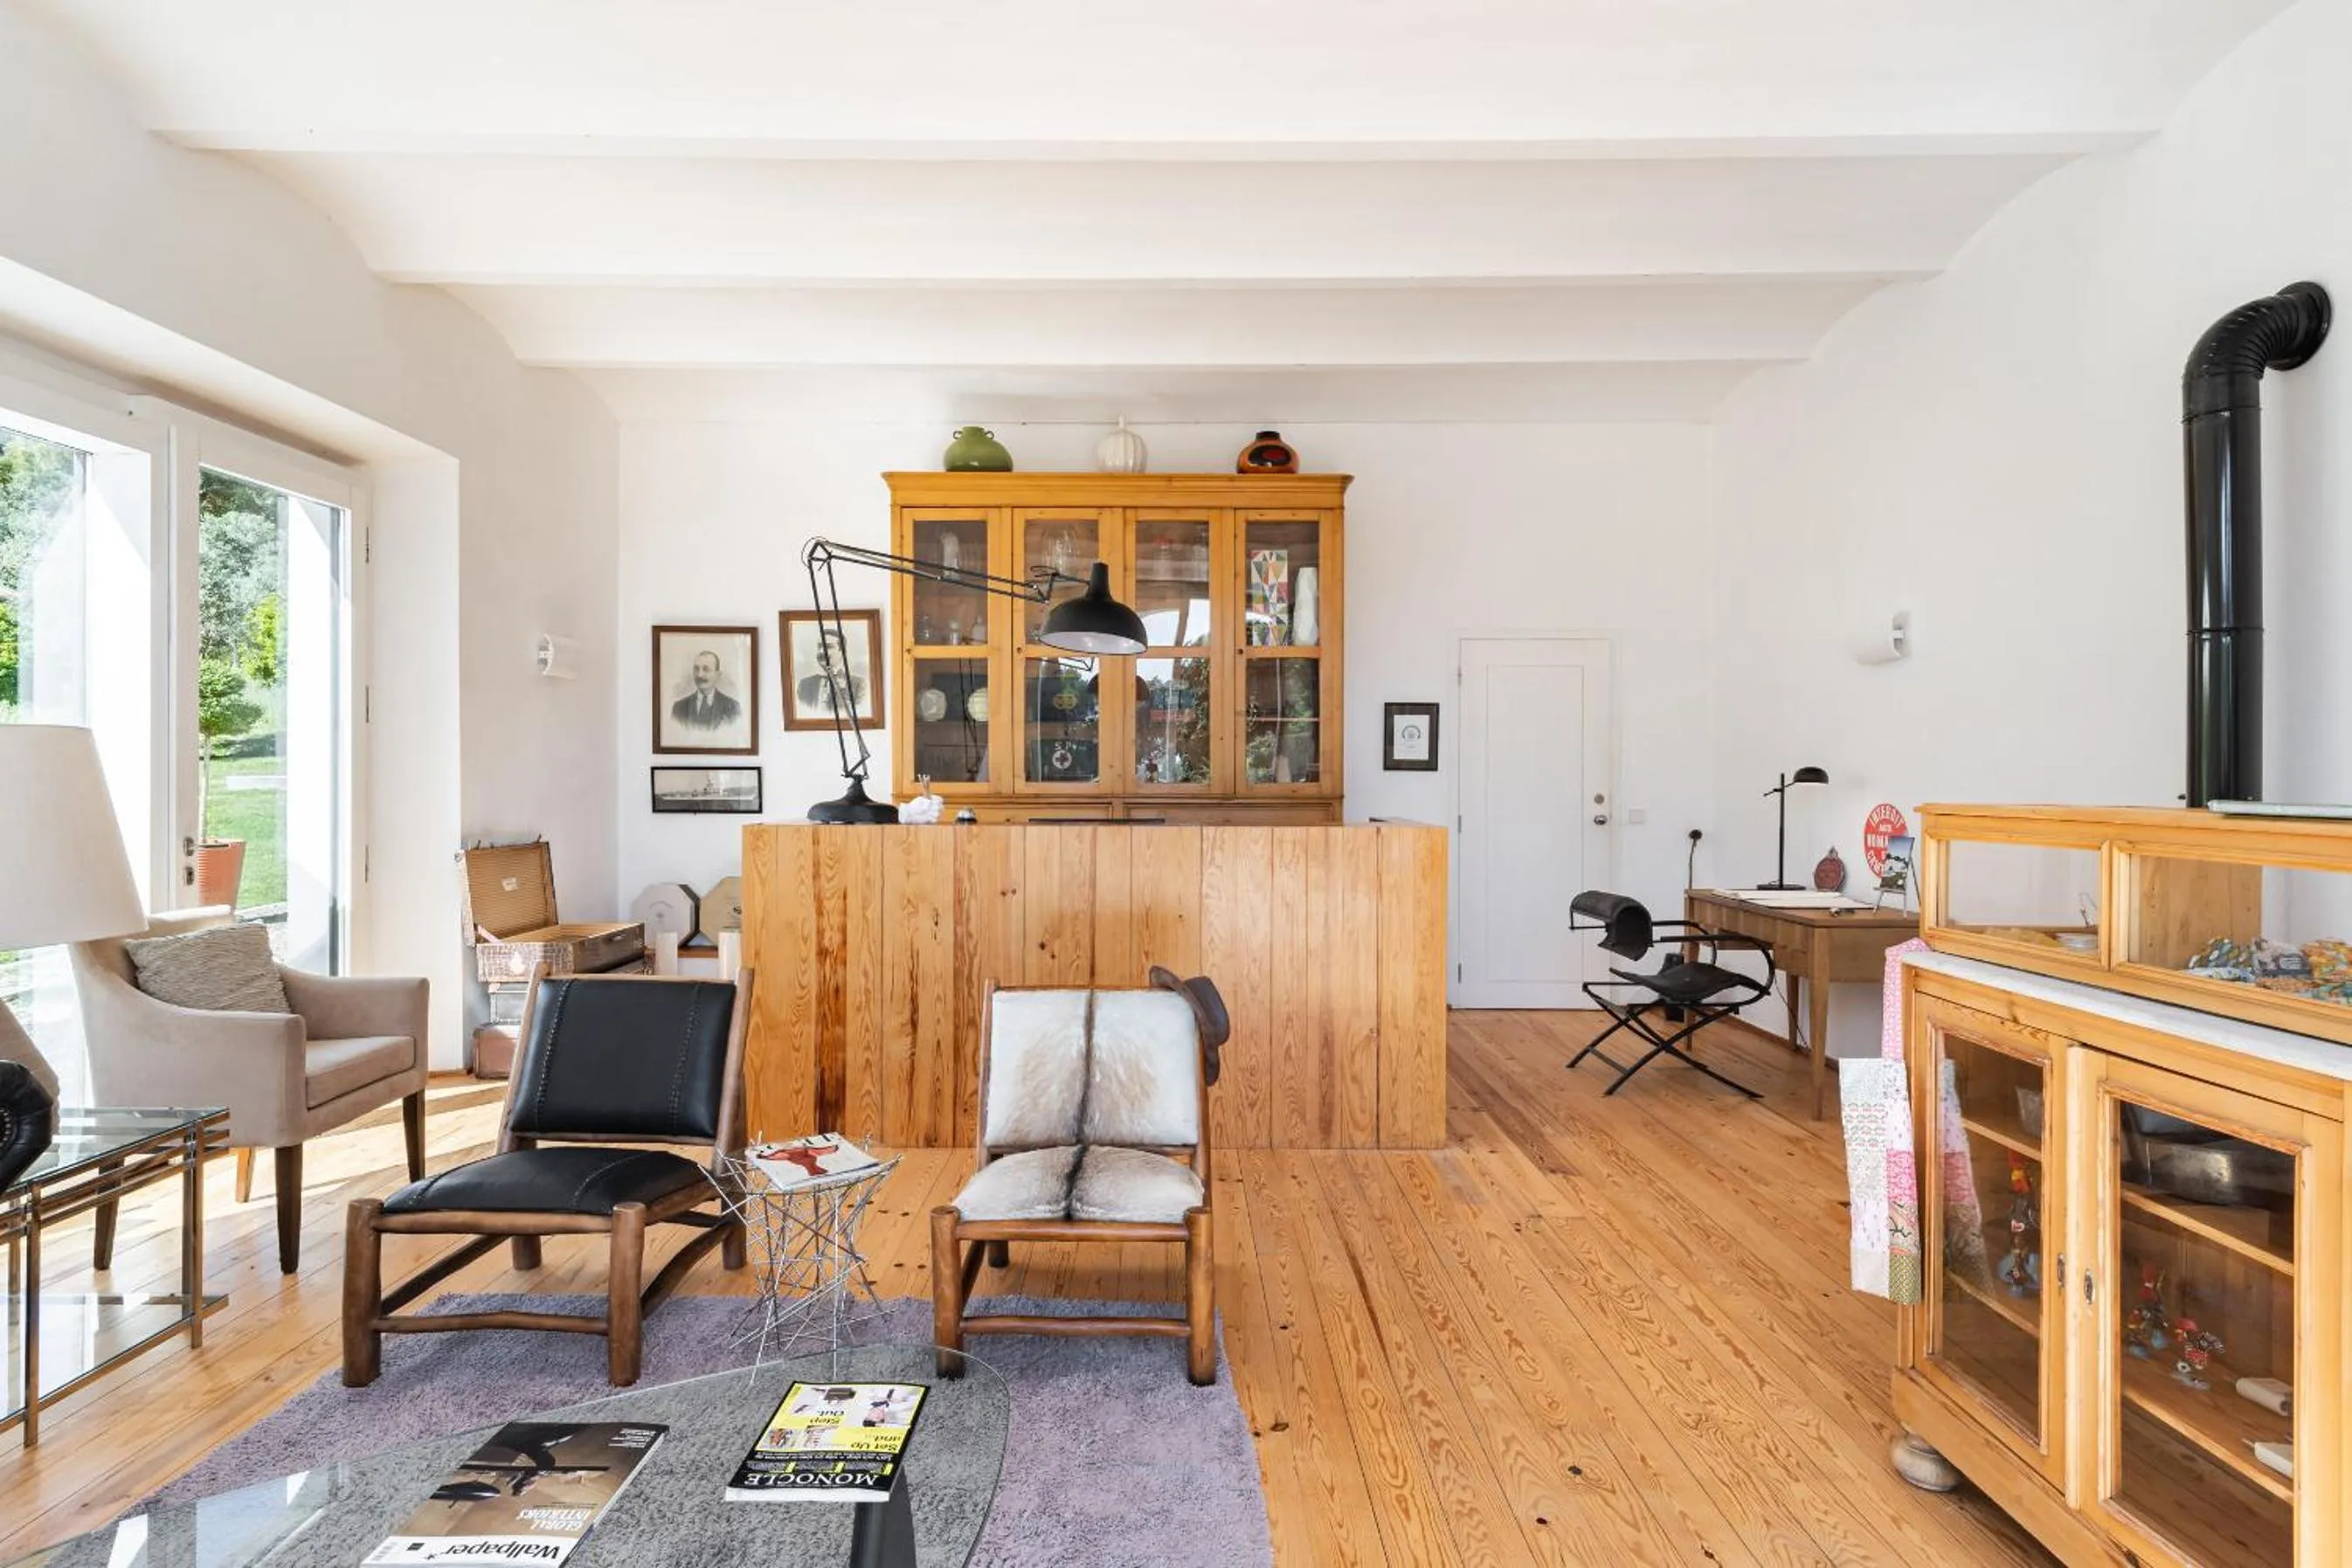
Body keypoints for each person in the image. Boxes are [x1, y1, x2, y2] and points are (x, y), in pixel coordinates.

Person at [672, 649, 743, 730]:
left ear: (718, 675)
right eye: (696, 669)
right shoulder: (679, 708)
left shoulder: (732, 707)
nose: (700, 675)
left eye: (706, 669)